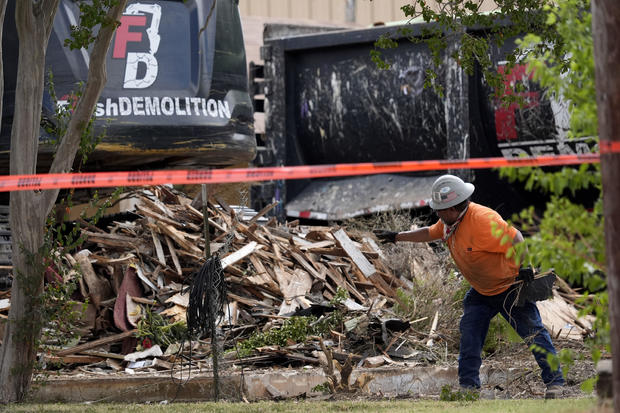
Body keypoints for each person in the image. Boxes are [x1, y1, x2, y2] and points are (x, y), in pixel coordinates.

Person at [374, 174, 565, 399]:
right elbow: (429, 233)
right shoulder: (450, 223)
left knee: (534, 335)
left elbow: (516, 236)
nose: (437, 213)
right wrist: (397, 236)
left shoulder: (483, 220)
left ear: (454, 207)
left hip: (510, 288)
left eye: (440, 209)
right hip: (482, 292)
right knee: (470, 337)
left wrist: (525, 265)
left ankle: (555, 384)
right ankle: (468, 388)